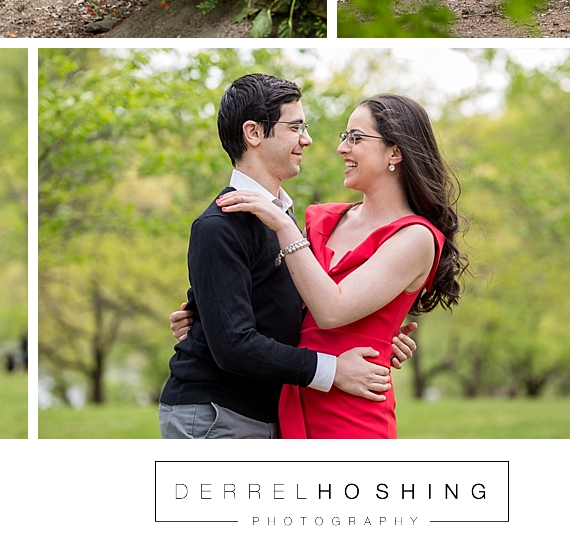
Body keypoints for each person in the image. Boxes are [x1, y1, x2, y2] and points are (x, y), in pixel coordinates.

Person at [158, 74, 404, 439]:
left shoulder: (280, 220)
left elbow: (280, 306)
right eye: (295, 127)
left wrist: (377, 332)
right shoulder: (217, 226)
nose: (306, 139)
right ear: (254, 133)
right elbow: (234, 346)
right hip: (216, 412)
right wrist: (332, 369)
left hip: (259, 412)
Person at [216, 94, 466, 438]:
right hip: (290, 397)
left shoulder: (416, 237)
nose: (342, 148)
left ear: (395, 152)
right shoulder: (322, 219)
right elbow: (281, 297)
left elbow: (332, 310)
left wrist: (283, 225)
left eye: (356, 138)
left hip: (351, 411)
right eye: (344, 137)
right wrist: (210, 318)